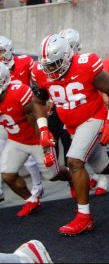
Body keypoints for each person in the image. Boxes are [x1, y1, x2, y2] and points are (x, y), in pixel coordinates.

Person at [31, 34, 109, 236]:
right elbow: (38, 102)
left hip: (95, 117)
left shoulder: (86, 64)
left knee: (74, 161)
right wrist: (43, 129)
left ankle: (84, 217)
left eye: (56, 63)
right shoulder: (41, 72)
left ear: (68, 56)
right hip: (72, 124)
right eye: (48, 65)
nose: (51, 70)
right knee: (103, 166)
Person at [0, 63, 56, 217]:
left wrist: (45, 145)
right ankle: (31, 200)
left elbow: (36, 119)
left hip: (34, 139)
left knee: (53, 175)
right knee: (7, 174)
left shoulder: (18, 93)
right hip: (16, 140)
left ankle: (72, 178)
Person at [59, 28, 109, 196]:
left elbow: (105, 86)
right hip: (72, 117)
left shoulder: (86, 62)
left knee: (78, 156)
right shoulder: (59, 65)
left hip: (92, 115)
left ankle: (101, 179)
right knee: (92, 157)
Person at [0, 36, 44, 202]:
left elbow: (39, 80)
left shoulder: (24, 62)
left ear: (9, 50)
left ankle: (38, 184)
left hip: (23, 116)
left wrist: (42, 100)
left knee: (30, 159)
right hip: (4, 119)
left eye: (1, 51)